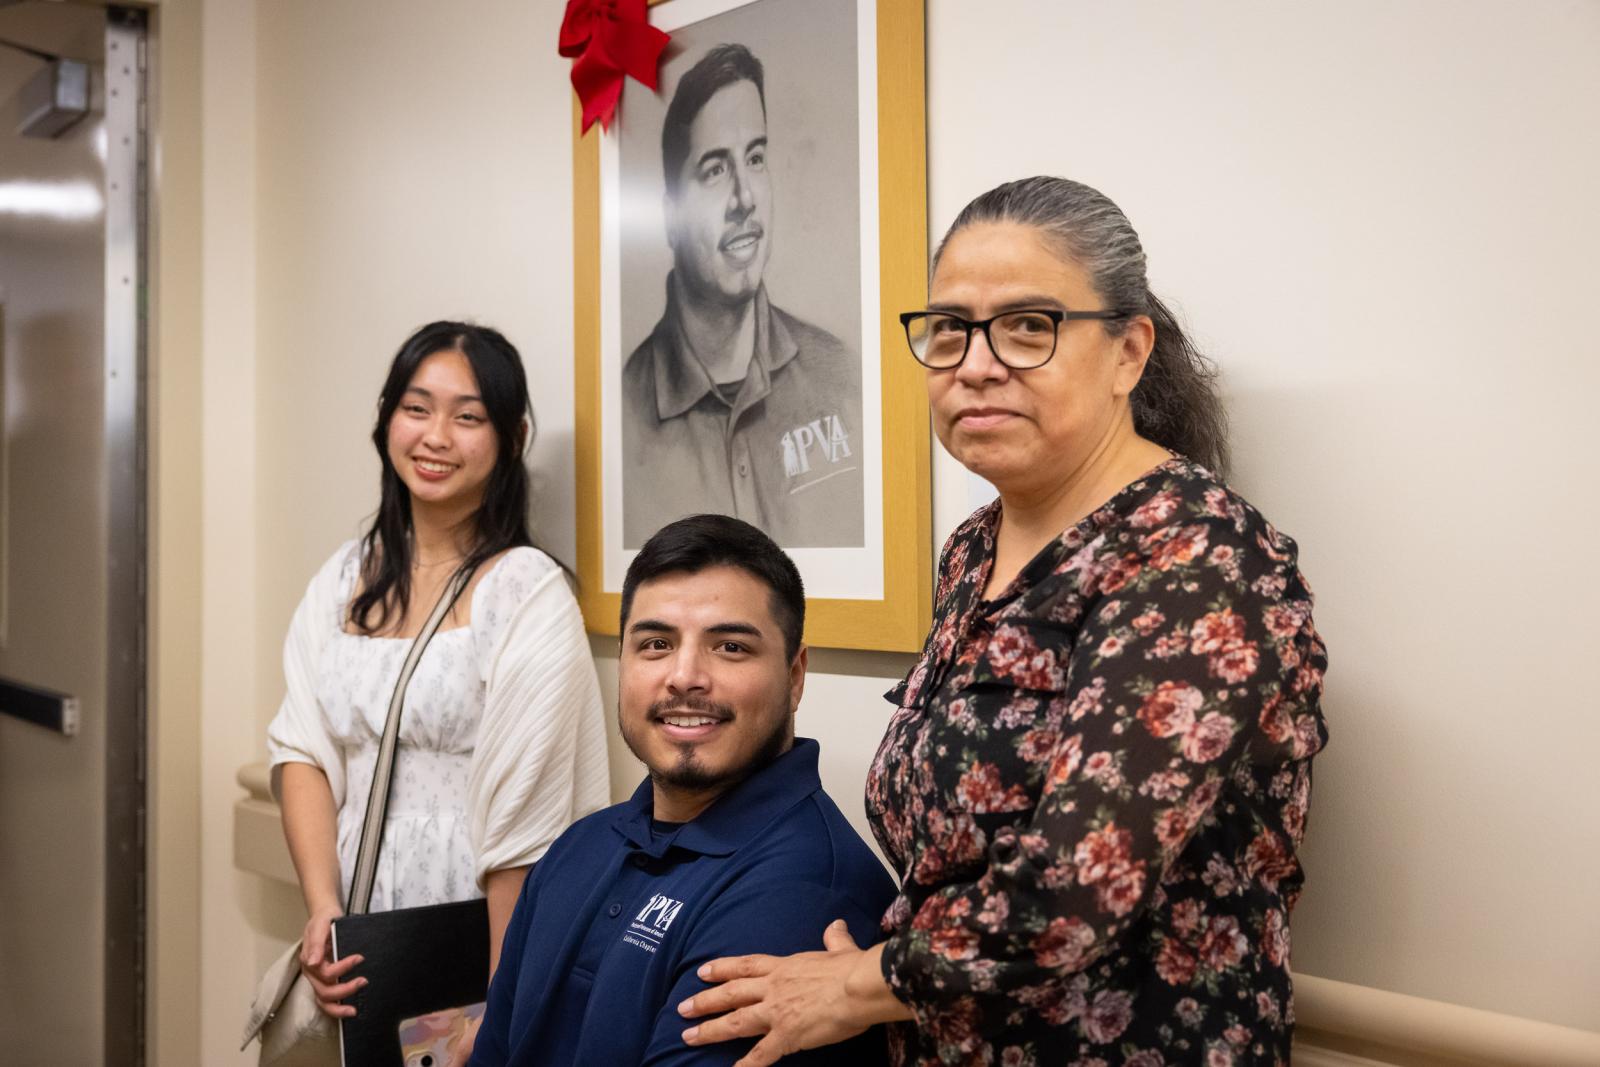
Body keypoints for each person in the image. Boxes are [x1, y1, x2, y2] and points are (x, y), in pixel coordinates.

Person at [678, 177, 1330, 1065]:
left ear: (1128, 352)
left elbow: (1071, 888)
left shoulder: (1197, 556)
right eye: (949, 329)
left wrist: (852, 986)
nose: (976, 364)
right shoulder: (973, 549)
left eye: (1029, 326)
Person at [266, 321, 611, 1064]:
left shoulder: (526, 592)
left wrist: (500, 1003)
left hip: (471, 928)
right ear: (387, 417)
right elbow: (303, 748)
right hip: (357, 928)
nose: (436, 435)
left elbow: (528, 821)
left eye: (468, 415)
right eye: (417, 407)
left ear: (512, 437)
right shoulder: (343, 576)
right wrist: (323, 909)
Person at [469, 514, 896, 1066]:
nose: (685, 676)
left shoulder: (804, 892)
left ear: (795, 676)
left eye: (730, 648)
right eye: (655, 644)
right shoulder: (579, 846)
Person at [623, 43, 864, 549]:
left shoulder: (840, 376)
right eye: (714, 169)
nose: (744, 198)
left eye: (755, 158)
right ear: (669, 217)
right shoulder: (625, 414)